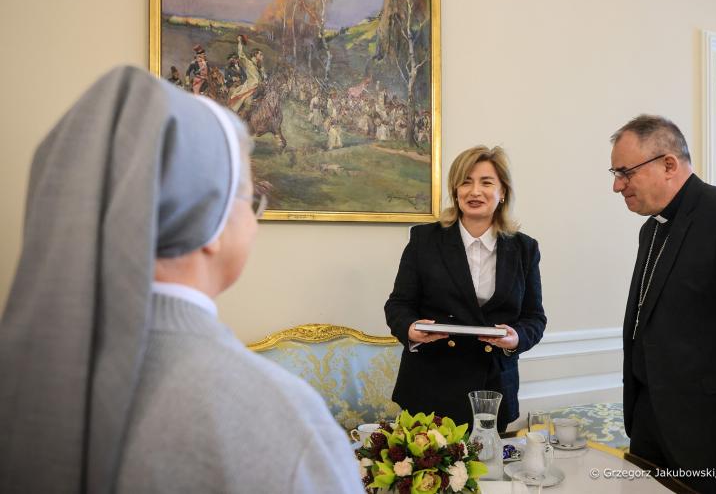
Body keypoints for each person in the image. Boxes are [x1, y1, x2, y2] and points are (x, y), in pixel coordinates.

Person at [0, 66, 363, 494]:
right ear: (209, 224)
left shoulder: (22, 379)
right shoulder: (278, 418)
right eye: (250, 200)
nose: (254, 220)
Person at [610, 114, 716, 493]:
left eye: (625, 173)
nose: (617, 185)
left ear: (669, 164)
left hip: (713, 440)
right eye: (615, 173)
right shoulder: (650, 230)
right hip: (651, 430)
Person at [384, 145, 547, 430]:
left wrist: (517, 338)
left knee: (488, 460)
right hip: (431, 385)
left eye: (486, 182)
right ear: (455, 190)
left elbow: (534, 317)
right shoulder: (424, 239)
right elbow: (398, 305)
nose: (475, 191)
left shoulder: (525, 248)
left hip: (493, 389)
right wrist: (410, 329)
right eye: (466, 182)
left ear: (503, 191)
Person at [228, 35, 265, 115]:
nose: (262, 56)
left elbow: (263, 79)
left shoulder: (260, 68)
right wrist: (240, 42)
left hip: (258, 89)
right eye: (260, 54)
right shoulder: (249, 64)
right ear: (255, 55)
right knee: (247, 102)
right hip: (250, 89)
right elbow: (241, 54)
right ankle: (240, 116)